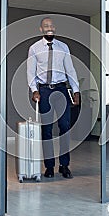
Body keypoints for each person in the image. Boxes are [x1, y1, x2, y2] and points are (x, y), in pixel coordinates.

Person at [27, 17, 80, 179]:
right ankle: (49, 166)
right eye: (45, 26)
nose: (49, 28)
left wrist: (76, 90)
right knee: (47, 130)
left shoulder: (63, 47)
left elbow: (70, 70)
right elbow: (30, 72)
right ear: (41, 29)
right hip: (45, 92)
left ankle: (64, 165)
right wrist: (34, 90)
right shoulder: (34, 48)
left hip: (61, 90)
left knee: (64, 127)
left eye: (51, 25)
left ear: (54, 28)